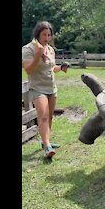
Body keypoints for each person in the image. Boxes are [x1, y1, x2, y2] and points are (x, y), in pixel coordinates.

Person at [22, 21, 69, 158]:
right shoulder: (28, 49)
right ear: (38, 34)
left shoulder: (50, 49)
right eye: (44, 35)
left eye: (49, 35)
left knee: (49, 116)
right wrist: (37, 55)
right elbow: (29, 70)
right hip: (37, 88)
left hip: (51, 88)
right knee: (42, 116)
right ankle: (47, 147)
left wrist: (61, 68)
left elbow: (50, 67)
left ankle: (45, 141)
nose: (47, 38)